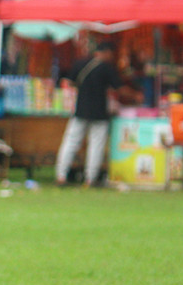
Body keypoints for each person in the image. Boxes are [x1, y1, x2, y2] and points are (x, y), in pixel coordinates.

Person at [55, 41, 136, 187]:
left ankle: (61, 175)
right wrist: (136, 96)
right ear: (107, 52)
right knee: (96, 145)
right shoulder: (107, 68)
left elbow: (69, 82)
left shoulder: (80, 64)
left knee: (71, 142)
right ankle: (90, 179)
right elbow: (119, 88)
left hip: (80, 109)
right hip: (99, 111)